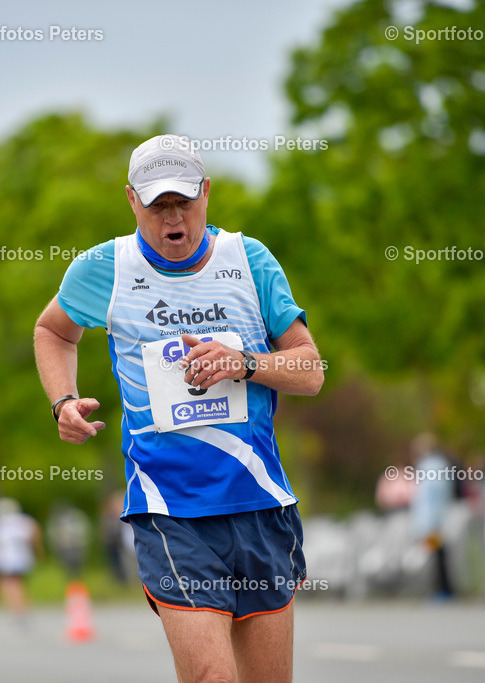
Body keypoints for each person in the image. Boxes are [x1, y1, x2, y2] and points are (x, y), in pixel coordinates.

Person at [34, 134, 323, 682]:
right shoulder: (105, 268)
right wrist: (63, 401)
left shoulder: (249, 259)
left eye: (183, 202)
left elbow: (310, 371)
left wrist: (244, 362)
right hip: (169, 511)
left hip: (257, 503)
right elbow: (53, 330)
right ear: (131, 201)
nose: (173, 218)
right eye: (157, 204)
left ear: (206, 195)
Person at [409, 433, 455, 599]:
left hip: (433, 520)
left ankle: (442, 590)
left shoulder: (431, 466)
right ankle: (442, 589)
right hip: (435, 518)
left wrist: (431, 520)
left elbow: (432, 495)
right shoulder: (437, 464)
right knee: (437, 554)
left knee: (436, 555)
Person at [0, 497, 43, 621]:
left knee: (8, 583)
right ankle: (22, 607)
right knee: (18, 583)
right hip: (22, 557)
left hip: (4, 559)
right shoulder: (24, 521)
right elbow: (34, 536)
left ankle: (15, 609)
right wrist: (38, 552)